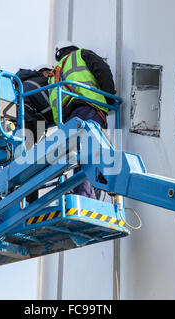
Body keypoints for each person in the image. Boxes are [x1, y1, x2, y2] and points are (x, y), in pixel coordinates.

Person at [48, 41, 116, 200]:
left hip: (69, 121)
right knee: (92, 154)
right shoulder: (81, 55)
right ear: (72, 48)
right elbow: (102, 70)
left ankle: (84, 197)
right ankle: (88, 198)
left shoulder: (53, 75)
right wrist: (109, 98)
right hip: (89, 109)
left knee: (80, 157)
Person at [16, 64, 54, 146]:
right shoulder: (42, 82)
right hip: (29, 118)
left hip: (18, 119)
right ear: (45, 73)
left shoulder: (21, 85)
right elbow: (48, 108)